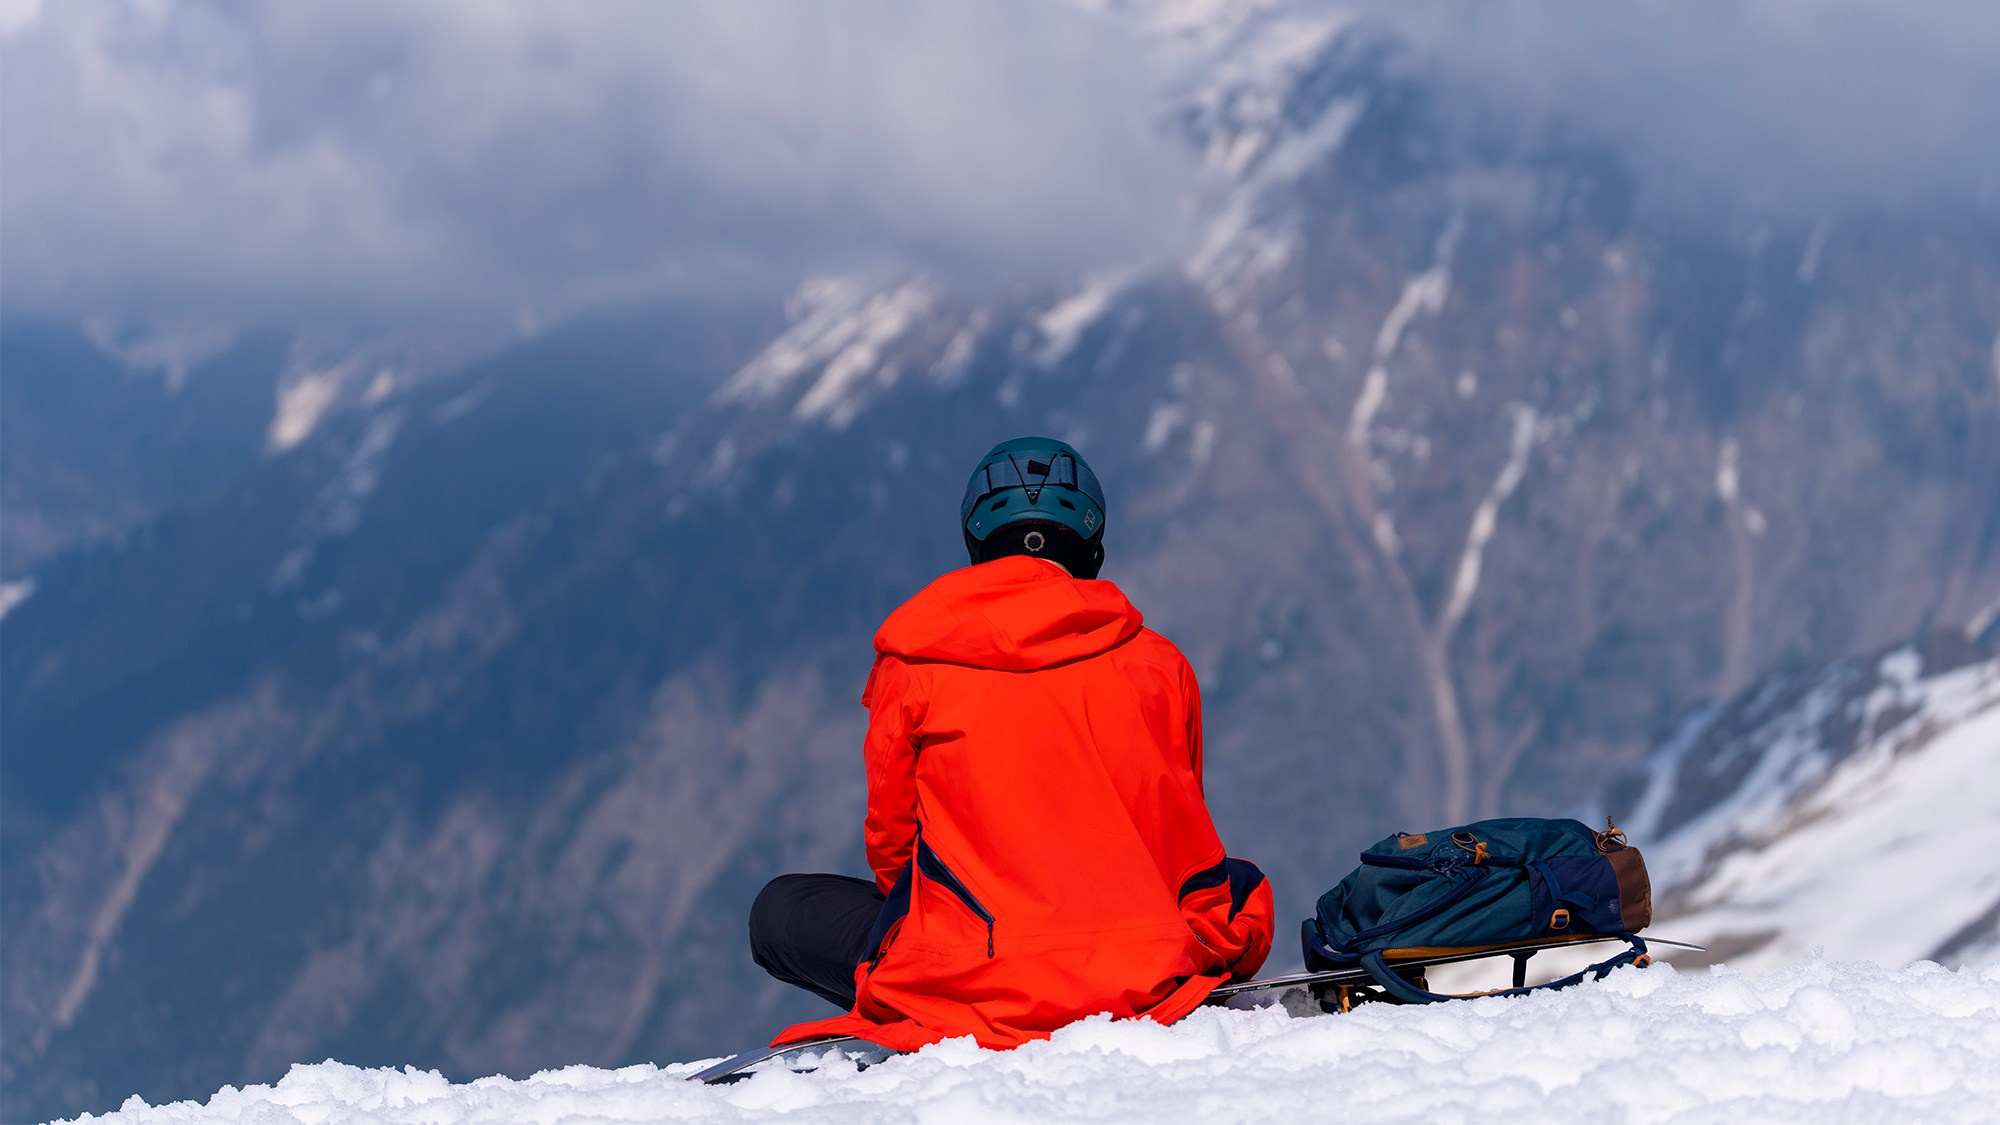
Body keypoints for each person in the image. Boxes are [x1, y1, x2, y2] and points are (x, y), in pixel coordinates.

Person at [749, 436, 1274, 1053]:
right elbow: (1173, 822)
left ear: (976, 549)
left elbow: (892, 850)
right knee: (1237, 882)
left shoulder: (917, 664)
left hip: (976, 974)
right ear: (1093, 550)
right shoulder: (1161, 664)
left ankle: (945, 1000)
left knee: (779, 912)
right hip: (1143, 971)